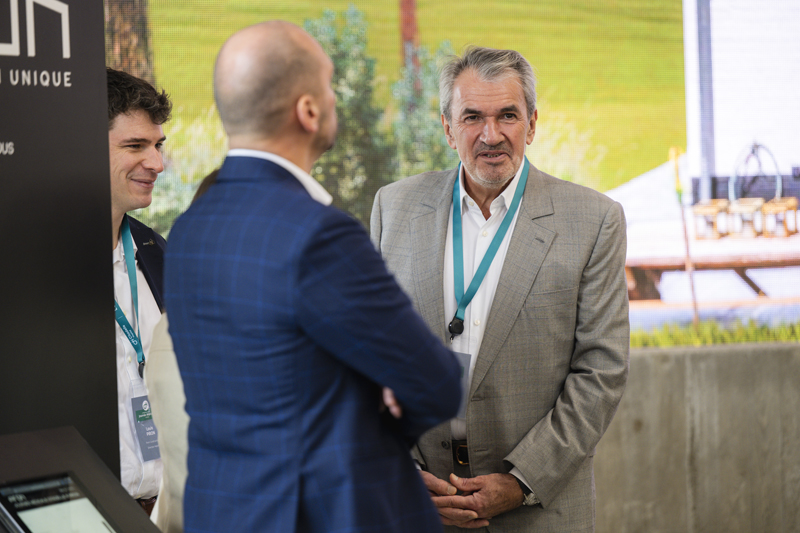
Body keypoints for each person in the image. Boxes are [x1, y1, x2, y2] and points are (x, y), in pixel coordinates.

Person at [164, 21, 462, 533]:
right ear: (308, 110)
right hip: (323, 514)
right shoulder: (320, 234)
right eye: (329, 86)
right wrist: (372, 412)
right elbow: (435, 383)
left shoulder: (190, 228)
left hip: (222, 512)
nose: (334, 98)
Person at [370, 46, 630, 532]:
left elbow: (601, 370)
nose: (491, 135)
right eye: (472, 117)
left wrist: (521, 481)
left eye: (507, 115)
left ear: (531, 124)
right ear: (448, 128)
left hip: (537, 511)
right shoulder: (393, 208)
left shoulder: (594, 221)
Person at [107, 66, 172, 515]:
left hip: (167, 513)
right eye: (135, 146)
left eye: (158, 145)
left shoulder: (157, 253)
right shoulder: (32, 269)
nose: (157, 163)